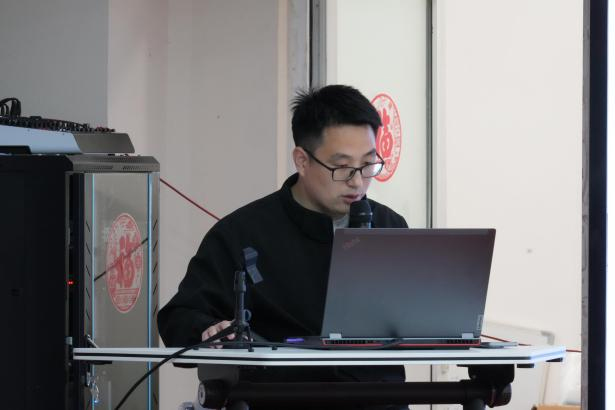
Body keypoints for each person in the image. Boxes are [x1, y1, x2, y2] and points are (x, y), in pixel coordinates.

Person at [157, 85, 408, 410]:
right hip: (278, 400)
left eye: (369, 164)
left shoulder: (390, 227)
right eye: (343, 167)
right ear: (302, 160)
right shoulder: (243, 234)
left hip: (379, 402)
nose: (357, 182)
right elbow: (178, 318)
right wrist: (208, 330)